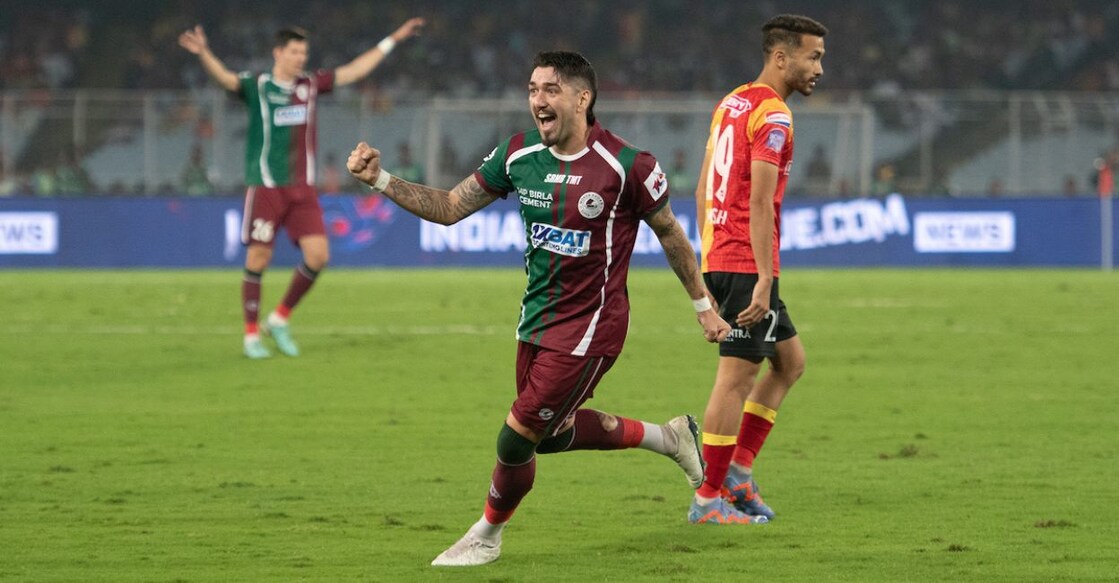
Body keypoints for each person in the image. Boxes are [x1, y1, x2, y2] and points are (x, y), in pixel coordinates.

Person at [347, 51, 731, 566]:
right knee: (552, 437)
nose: (537, 101)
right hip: (536, 319)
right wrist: (380, 179)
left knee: (517, 435)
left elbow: (671, 235)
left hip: (594, 326)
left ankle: (485, 536)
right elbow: (448, 208)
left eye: (549, 90)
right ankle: (671, 438)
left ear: (582, 97)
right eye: (532, 90)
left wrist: (703, 305)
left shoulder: (628, 166)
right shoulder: (517, 154)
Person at [178, 17, 425, 358]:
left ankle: (279, 319)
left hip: (302, 190)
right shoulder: (259, 87)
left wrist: (392, 39)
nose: (300, 58)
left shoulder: (310, 85)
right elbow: (225, 79)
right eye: (294, 51)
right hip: (267, 187)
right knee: (259, 256)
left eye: (304, 52)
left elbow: (354, 70)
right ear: (278, 53)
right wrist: (204, 53)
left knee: (318, 255)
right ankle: (251, 335)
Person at [691, 14, 827, 524]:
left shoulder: (731, 102)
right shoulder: (773, 116)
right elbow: (763, 201)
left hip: (724, 255)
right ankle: (708, 500)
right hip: (748, 263)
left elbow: (704, 189)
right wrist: (764, 277)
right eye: (813, 57)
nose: (818, 68)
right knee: (735, 378)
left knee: (789, 362)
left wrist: (707, 261)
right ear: (781, 56)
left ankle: (738, 473)